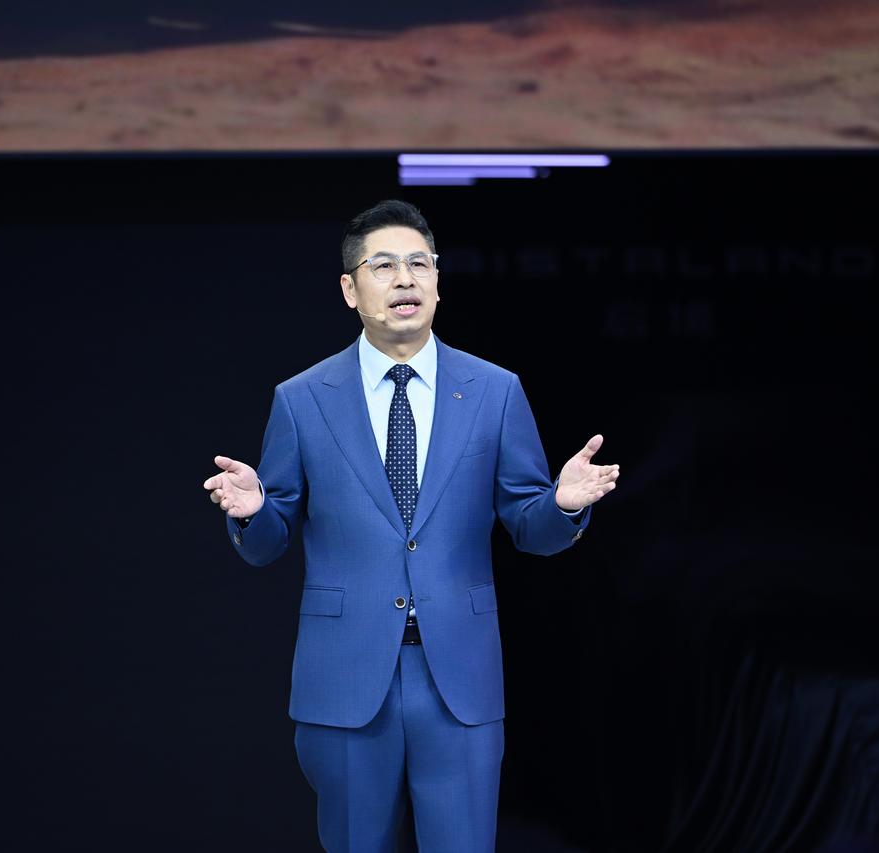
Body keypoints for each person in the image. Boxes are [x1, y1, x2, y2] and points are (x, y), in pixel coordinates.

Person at [203, 200, 618, 852]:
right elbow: (269, 541)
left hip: (457, 675)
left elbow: (529, 527)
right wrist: (256, 513)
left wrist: (562, 504)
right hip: (345, 675)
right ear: (350, 289)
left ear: (438, 283)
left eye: (420, 264)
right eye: (385, 266)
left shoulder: (495, 390)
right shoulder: (302, 399)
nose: (405, 279)